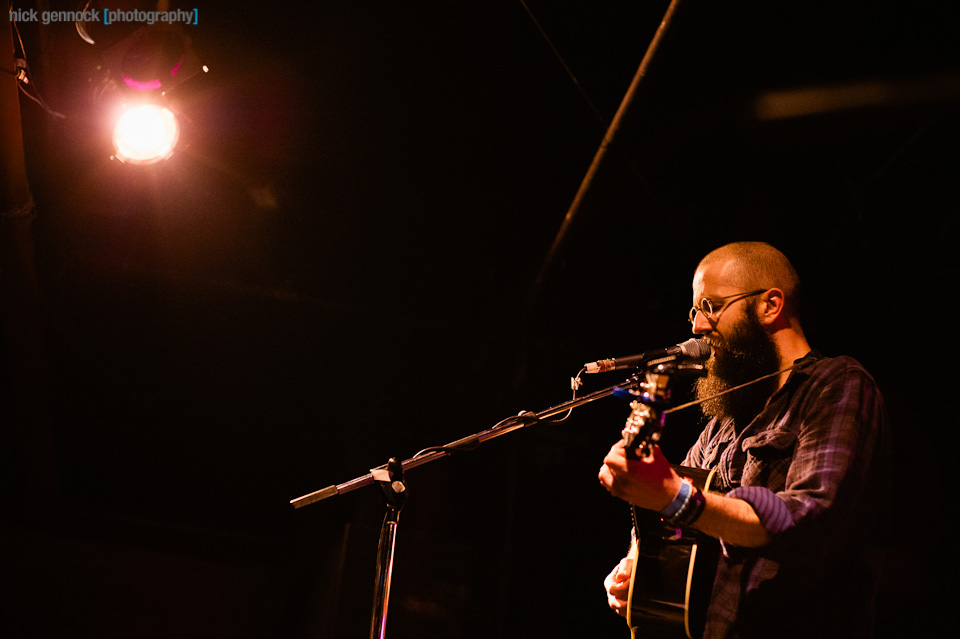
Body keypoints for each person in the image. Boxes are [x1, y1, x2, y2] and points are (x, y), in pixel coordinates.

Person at [598, 241, 890, 639]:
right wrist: (638, 563)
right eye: (694, 311)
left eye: (712, 307)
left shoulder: (837, 384)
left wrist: (674, 496)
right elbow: (671, 518)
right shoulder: (724, 422)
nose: (698, 327)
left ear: (770, 305)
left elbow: (809, 520)